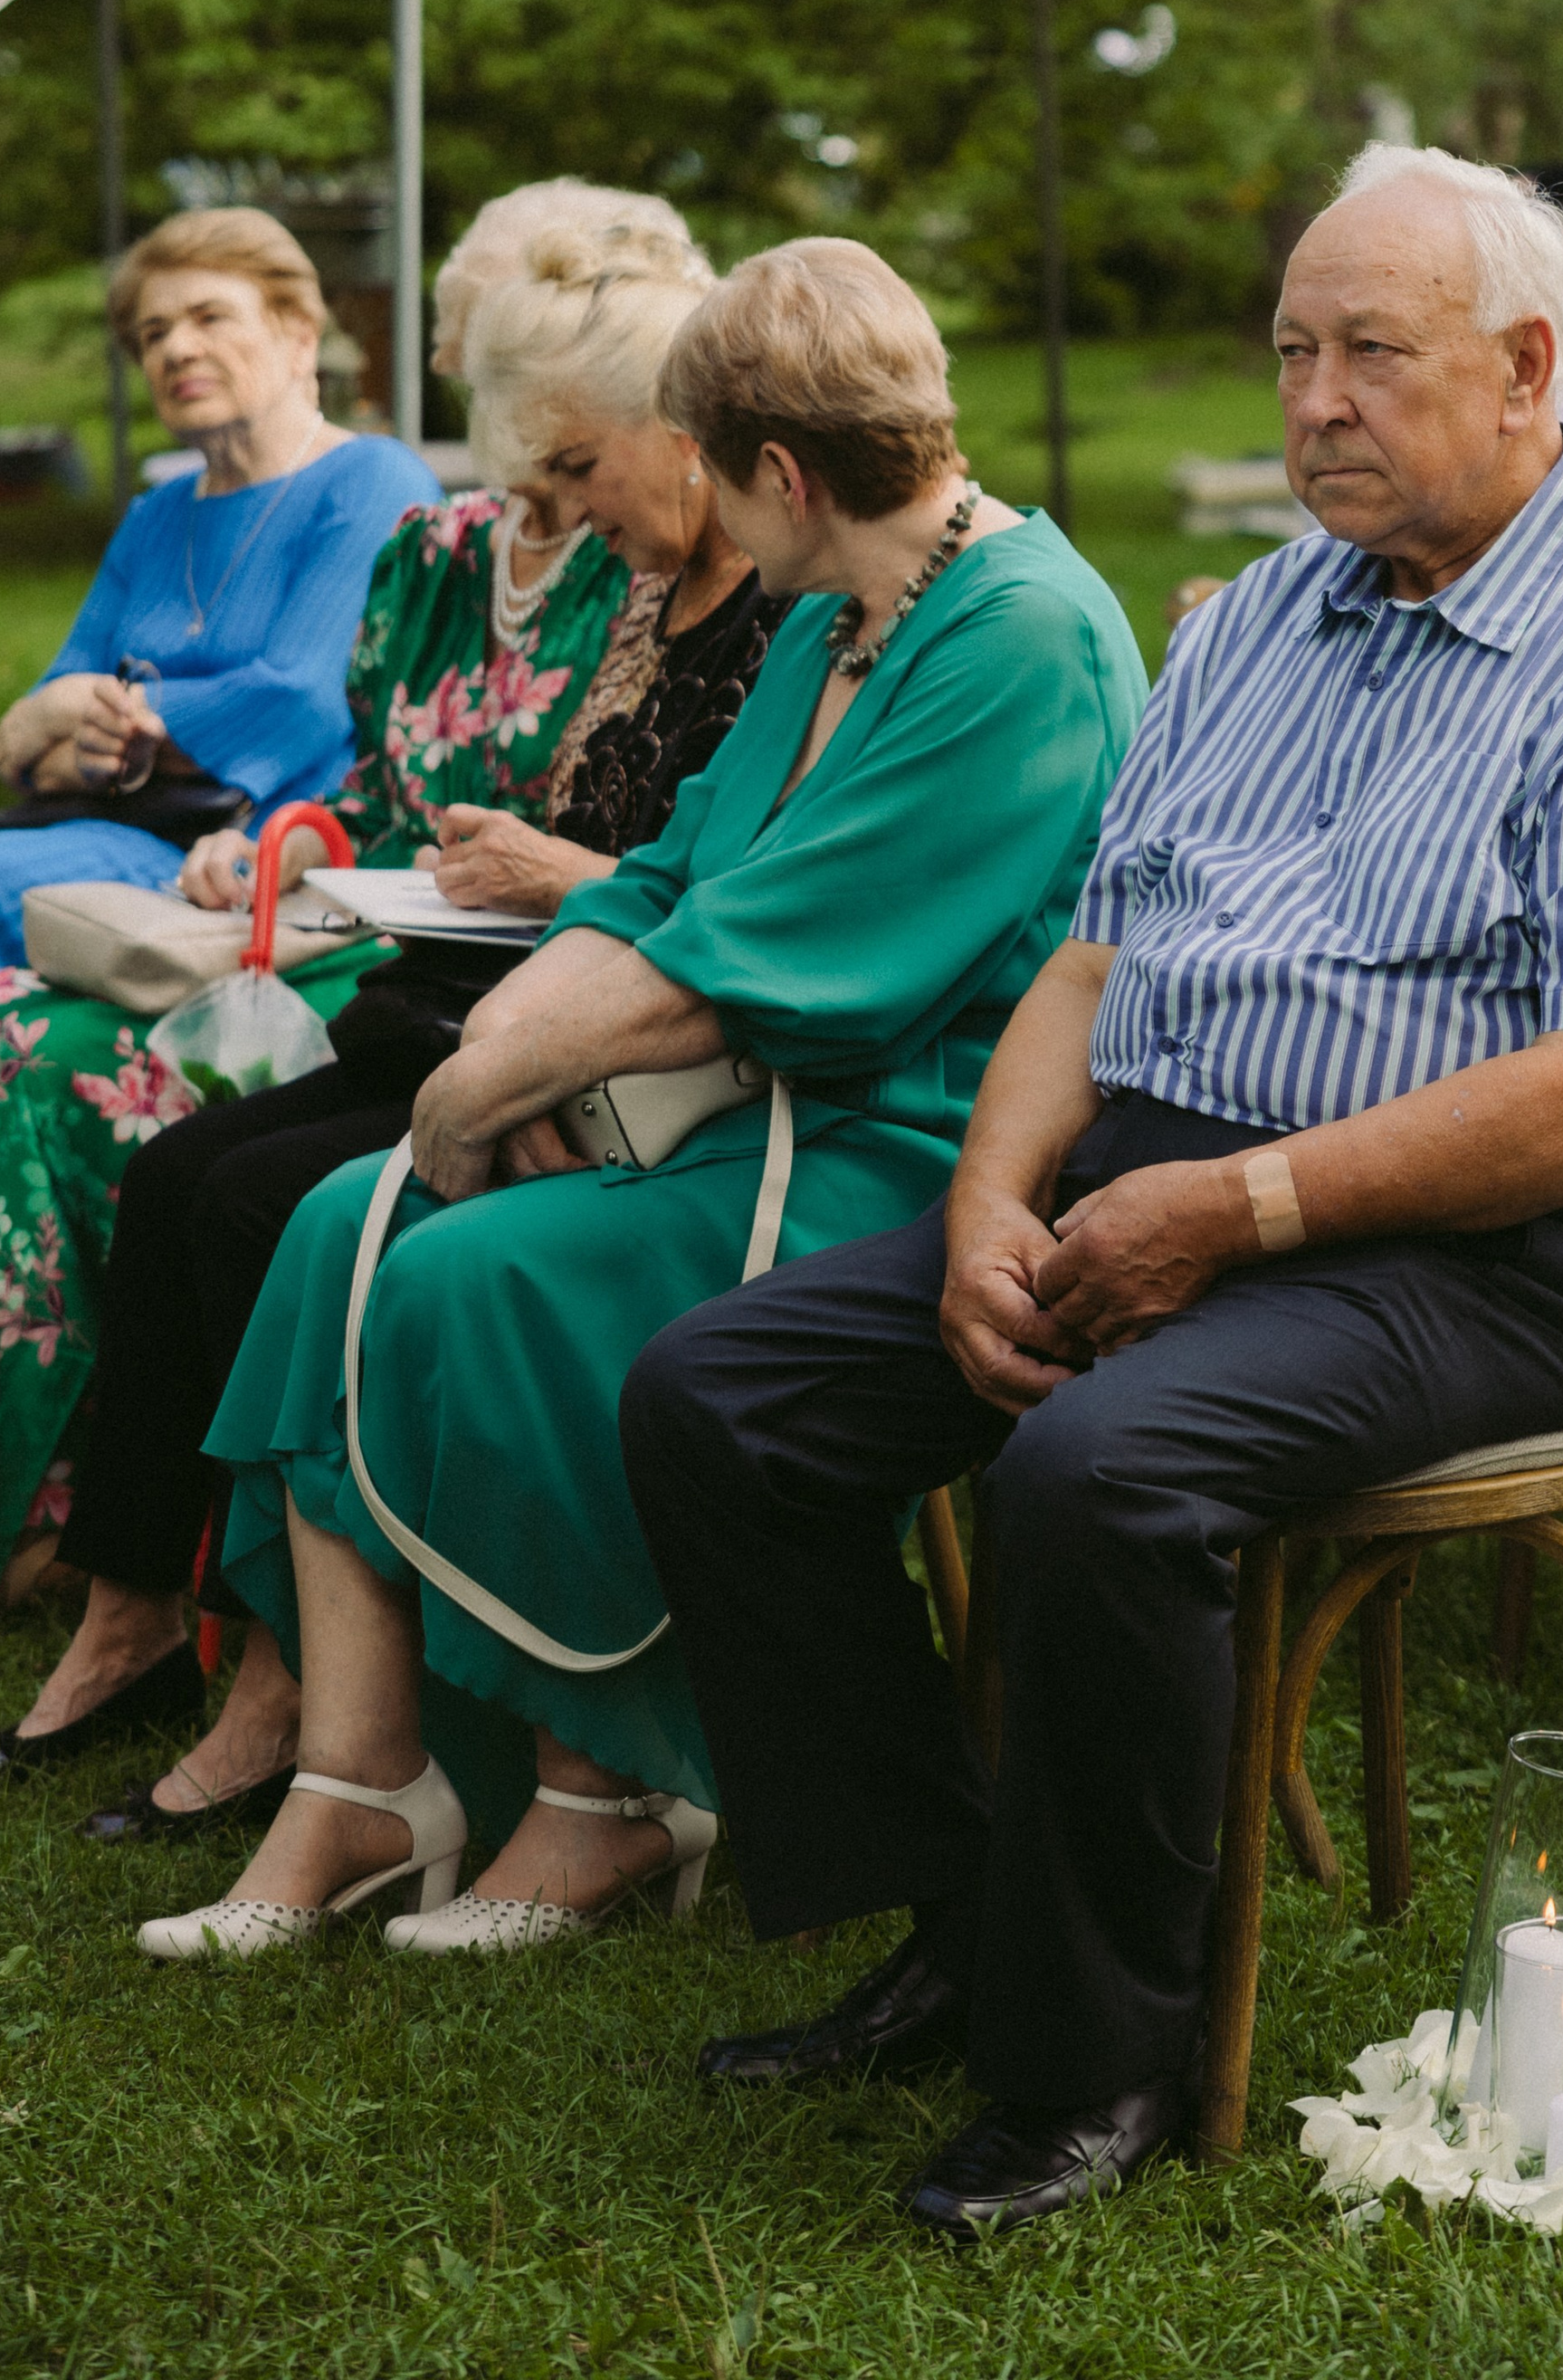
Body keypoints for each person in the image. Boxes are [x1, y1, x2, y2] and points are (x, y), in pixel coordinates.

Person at [616, 143, 1563, 2242]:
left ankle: (1095, 2059)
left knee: (1095, 1465)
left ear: (1529, 365)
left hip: (1495, 1256)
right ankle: (967, 1907)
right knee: (721, 1395)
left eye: (1369, 351)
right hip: (1154, 1170)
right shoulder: (1261, 615)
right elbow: (1095, 954)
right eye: (1290, 351)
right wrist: (996, 1207)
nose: (1312, 398)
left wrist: (1236, 1211)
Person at [132, 238, 1145, 1964]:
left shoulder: (1024, 635)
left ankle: (610, 1786)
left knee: (464, 1262)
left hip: (900, 1147)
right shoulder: (839, 606)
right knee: (329, 1224)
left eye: (718, 479)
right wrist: (505, 1059)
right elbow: (663, 878)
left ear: (780, 473)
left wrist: (490, 1089)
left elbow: (775, 956)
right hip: (741, 1101)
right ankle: (365, 1776)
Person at [0, 202, 784, 1828]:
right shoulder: (587, 579)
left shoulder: (756, 608)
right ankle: (136, 1595)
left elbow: (709, 891)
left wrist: (539, 880)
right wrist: (307, 848)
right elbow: (380, 781)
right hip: (435, 963)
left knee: (251, 1185)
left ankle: (280, 1670)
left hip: (559, 1018)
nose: (537, 489)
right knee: (161, 1158)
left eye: (567, 457)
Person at [0, 208, 436, 986]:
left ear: (298, 337)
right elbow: (31, 738)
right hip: (130, 828)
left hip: (261, 852)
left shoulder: (372, 481)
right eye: (153, 334)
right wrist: (71, 719)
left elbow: (299, 701)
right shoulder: (156, 516)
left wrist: (109, 719)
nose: (178, 347)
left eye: (210, 317)